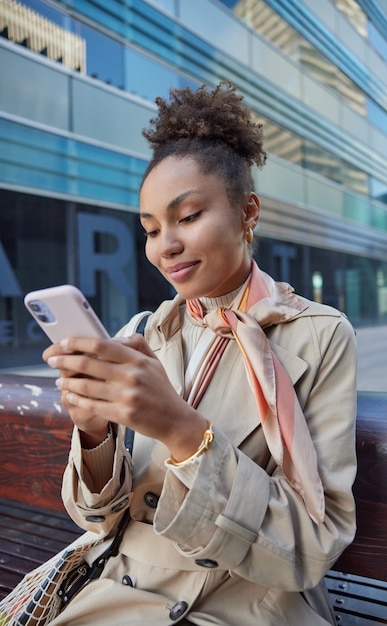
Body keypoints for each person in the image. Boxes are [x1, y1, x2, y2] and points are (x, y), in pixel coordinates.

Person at [43, 81, 357, 626]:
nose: (165, 245)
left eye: (187, 217)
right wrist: (93, 433)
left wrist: (184, 432)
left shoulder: (319, 335)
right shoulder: (143, 332)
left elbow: (312, 546)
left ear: (247, 211)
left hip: (244, 603)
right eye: (150, 228)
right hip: (119, 592)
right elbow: (98, 522)